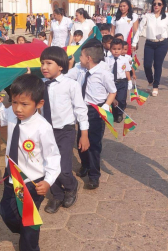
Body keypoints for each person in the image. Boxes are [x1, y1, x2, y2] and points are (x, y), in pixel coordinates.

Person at [0, 73, 61, 251]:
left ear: (39, 104)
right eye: (14, 102)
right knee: (6, 212)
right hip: (10, 177)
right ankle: (23, 229)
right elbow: (2, 118)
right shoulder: (12, 114)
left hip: (32, 182)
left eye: (24, 104)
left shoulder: (42, 127)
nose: (18, 109)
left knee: (29, 222)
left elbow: (53, 157)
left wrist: (48, 181)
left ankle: (29, 247)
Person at [39, 47, 89, 214]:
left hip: (65, 132)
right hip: (45, 131)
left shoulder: (71, 85)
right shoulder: (39, 84)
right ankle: (57, 195)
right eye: (42, 63)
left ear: (60, 66)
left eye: (48, 63)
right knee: (46, 167)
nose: (44, 67)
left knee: (63, 168)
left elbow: (81, 110)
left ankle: (71, 186)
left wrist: (84, 134)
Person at [65, 39, 117, 189]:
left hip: (96, 111)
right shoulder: (80, 68)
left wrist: (106, 106)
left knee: (94, 144)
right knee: (81, 139)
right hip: (81, 109)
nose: (79, 59)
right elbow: (66, 77)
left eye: (81, 56)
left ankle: (94, 175)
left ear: (89, 58)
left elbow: (113, 91)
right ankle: (85, 165)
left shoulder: (104, 73)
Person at [132, 0, 168, 97]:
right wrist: (134, 43)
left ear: (163, 6)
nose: (156, 6)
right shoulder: (147, 16)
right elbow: (139, 30)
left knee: (157, 65)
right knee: (147, 65)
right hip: (149, 43)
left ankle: (155, 86)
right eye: (155, 4)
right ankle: (150, 81)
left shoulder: (167, 17)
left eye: (159, 4)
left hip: (162, 43)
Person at [105, 38, 132, 123]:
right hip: (111, 82)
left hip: (122, 82)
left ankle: (120, 113)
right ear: (110, 49)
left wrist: (129, 81)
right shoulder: (107, 59)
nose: (116, 51)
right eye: (114, 49)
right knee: (112, 99)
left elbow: (127, 71)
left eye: (119, 49)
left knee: (121, 99)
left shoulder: (124, 60)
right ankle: (113, 114)